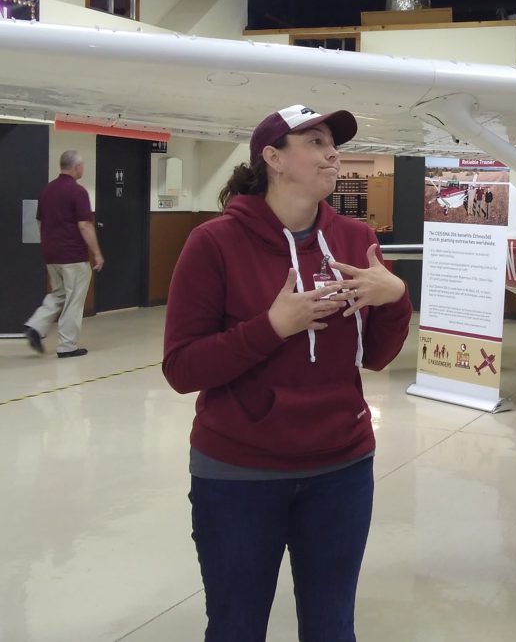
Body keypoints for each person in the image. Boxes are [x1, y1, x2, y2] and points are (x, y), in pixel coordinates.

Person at [163, 104, 412, 642]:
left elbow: (375, 357)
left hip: (341, 469)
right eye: (317, 142)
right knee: (235, 626)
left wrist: (395, 300)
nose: (333, 153)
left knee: (331, 626)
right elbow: (182, 368)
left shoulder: (353, 240)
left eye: (333, 143)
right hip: (239, 474)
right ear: (273, 158)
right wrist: (272, 327)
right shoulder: (213, 244)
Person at [24, 149, 104, 358]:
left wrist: (48, 244)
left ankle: (35, 326)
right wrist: (97, 253)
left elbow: (40, 222)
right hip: (73, 255)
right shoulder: (78, 192)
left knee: (58, 293)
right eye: (82, 166)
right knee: (74, 299)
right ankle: (67, 346)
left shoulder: (47, 190)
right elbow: (85, 225)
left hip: (51, 254)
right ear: (76, 167)